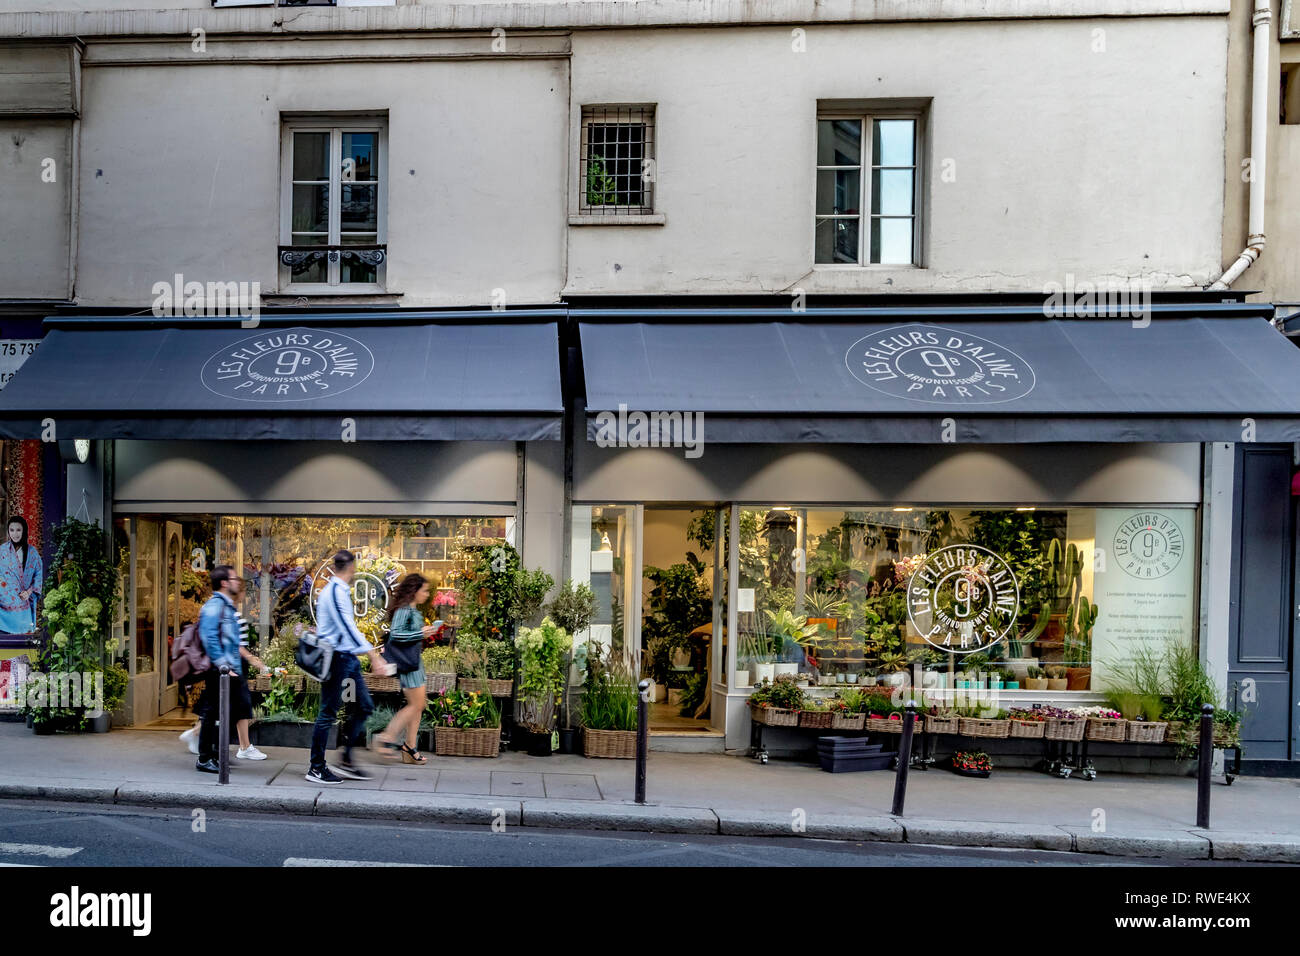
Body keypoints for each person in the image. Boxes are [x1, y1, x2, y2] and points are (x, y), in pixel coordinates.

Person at [307, 549, 396, 784]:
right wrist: (374, 656)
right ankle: (316, 767)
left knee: (364, 706)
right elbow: (347, 626)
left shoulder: (339, 591)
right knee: (327, 712)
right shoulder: (335, 591)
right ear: (351, 568)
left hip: (347, 658)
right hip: (336, 657)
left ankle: (346, 760)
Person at [374, 573, 442, 764]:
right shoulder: (405, 610)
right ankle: (386, 737)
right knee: (416, 705)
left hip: (414, 663)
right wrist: (420, 633)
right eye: (425, 590)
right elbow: (396, 634)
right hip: (409, 665)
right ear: (414, 591)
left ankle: (409, 748)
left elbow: (408, 635)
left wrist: (424, 633)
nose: (427, 594)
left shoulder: (412, 610)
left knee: (419, 706)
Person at [194, 565, 252, 774]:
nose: (238, 581)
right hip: (220, 671)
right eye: (234, 578)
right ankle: (205, 757)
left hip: (229, 671)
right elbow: (209, 639)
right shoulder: (214, 606)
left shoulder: (226, 607)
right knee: (212, 714)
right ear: (225, 583)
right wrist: (224, 667)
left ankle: (217, 754)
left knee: (229, 713)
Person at [0, 516, 42, 635]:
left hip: (24, 603)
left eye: (18, 530)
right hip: (3, 604)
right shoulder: (1, 551)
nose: (15, 534)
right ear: (8, 531)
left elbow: (38, 576)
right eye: (11, 530)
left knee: (24, 641)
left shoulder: (32, 553)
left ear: (24, 531)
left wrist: (29, 592)